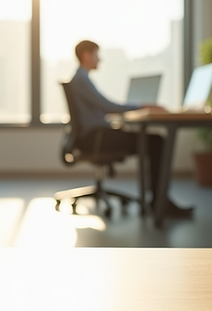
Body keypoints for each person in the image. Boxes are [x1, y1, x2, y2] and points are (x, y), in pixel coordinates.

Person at [68, 40, 167, 210]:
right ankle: (159, 202)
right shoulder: (81, 80)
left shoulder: (80, 79)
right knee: (156, 141)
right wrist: (143, 106)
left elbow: (101, 109)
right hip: (96, 138)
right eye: (96, 55)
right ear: (86, 55)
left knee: (152, 140)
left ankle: (157, 199)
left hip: (95, 135)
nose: (100, 59)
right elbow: (107, 106)